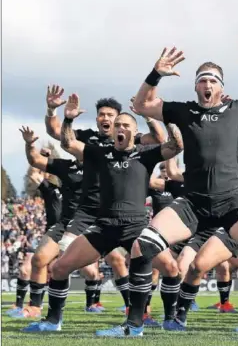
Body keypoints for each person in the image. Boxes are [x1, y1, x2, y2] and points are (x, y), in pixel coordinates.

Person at [123, 34, 238, 338]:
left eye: (213, 80)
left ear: (221, 87)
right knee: (141, 246)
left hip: (232, 201)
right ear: (196, 87)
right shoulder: (183, 111)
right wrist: (156, 74)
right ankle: (134, 326)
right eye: (203, 80)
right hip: (192, 202)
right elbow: (140, 104)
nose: (207, 85)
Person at [23, 94, 183, 334]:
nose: (119, 128)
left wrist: (158, 116)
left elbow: (175, 145)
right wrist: (67, 120)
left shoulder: (144, 153)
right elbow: (68, 144)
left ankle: (171, 318)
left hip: (136, 228)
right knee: (58, 268)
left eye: (124, 125)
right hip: (104, 227)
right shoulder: (98, 153)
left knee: (171, 268)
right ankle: (52, 321)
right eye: (117, 125)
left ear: (134, 131)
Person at [44, 91, 164, 312]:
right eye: (102, 115)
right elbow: (58, 134)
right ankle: (65, 309)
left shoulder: (131, 139)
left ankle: (135, 309)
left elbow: (159, 140)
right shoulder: (89, 141)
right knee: (64, 257)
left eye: (112, 115)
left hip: (125, 210)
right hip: (90, 211)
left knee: (141, 263)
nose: (107, 119)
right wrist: (53, 111)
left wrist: (148, 115)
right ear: (97, 118)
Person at [6, 140, 65, 319]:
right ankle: (27, 306)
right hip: (49, 234)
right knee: (27, 269)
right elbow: (33, 173)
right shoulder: (50, 189)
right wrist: (42, 155)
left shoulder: (80, 191)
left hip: (71, 236)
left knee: (60, 269)